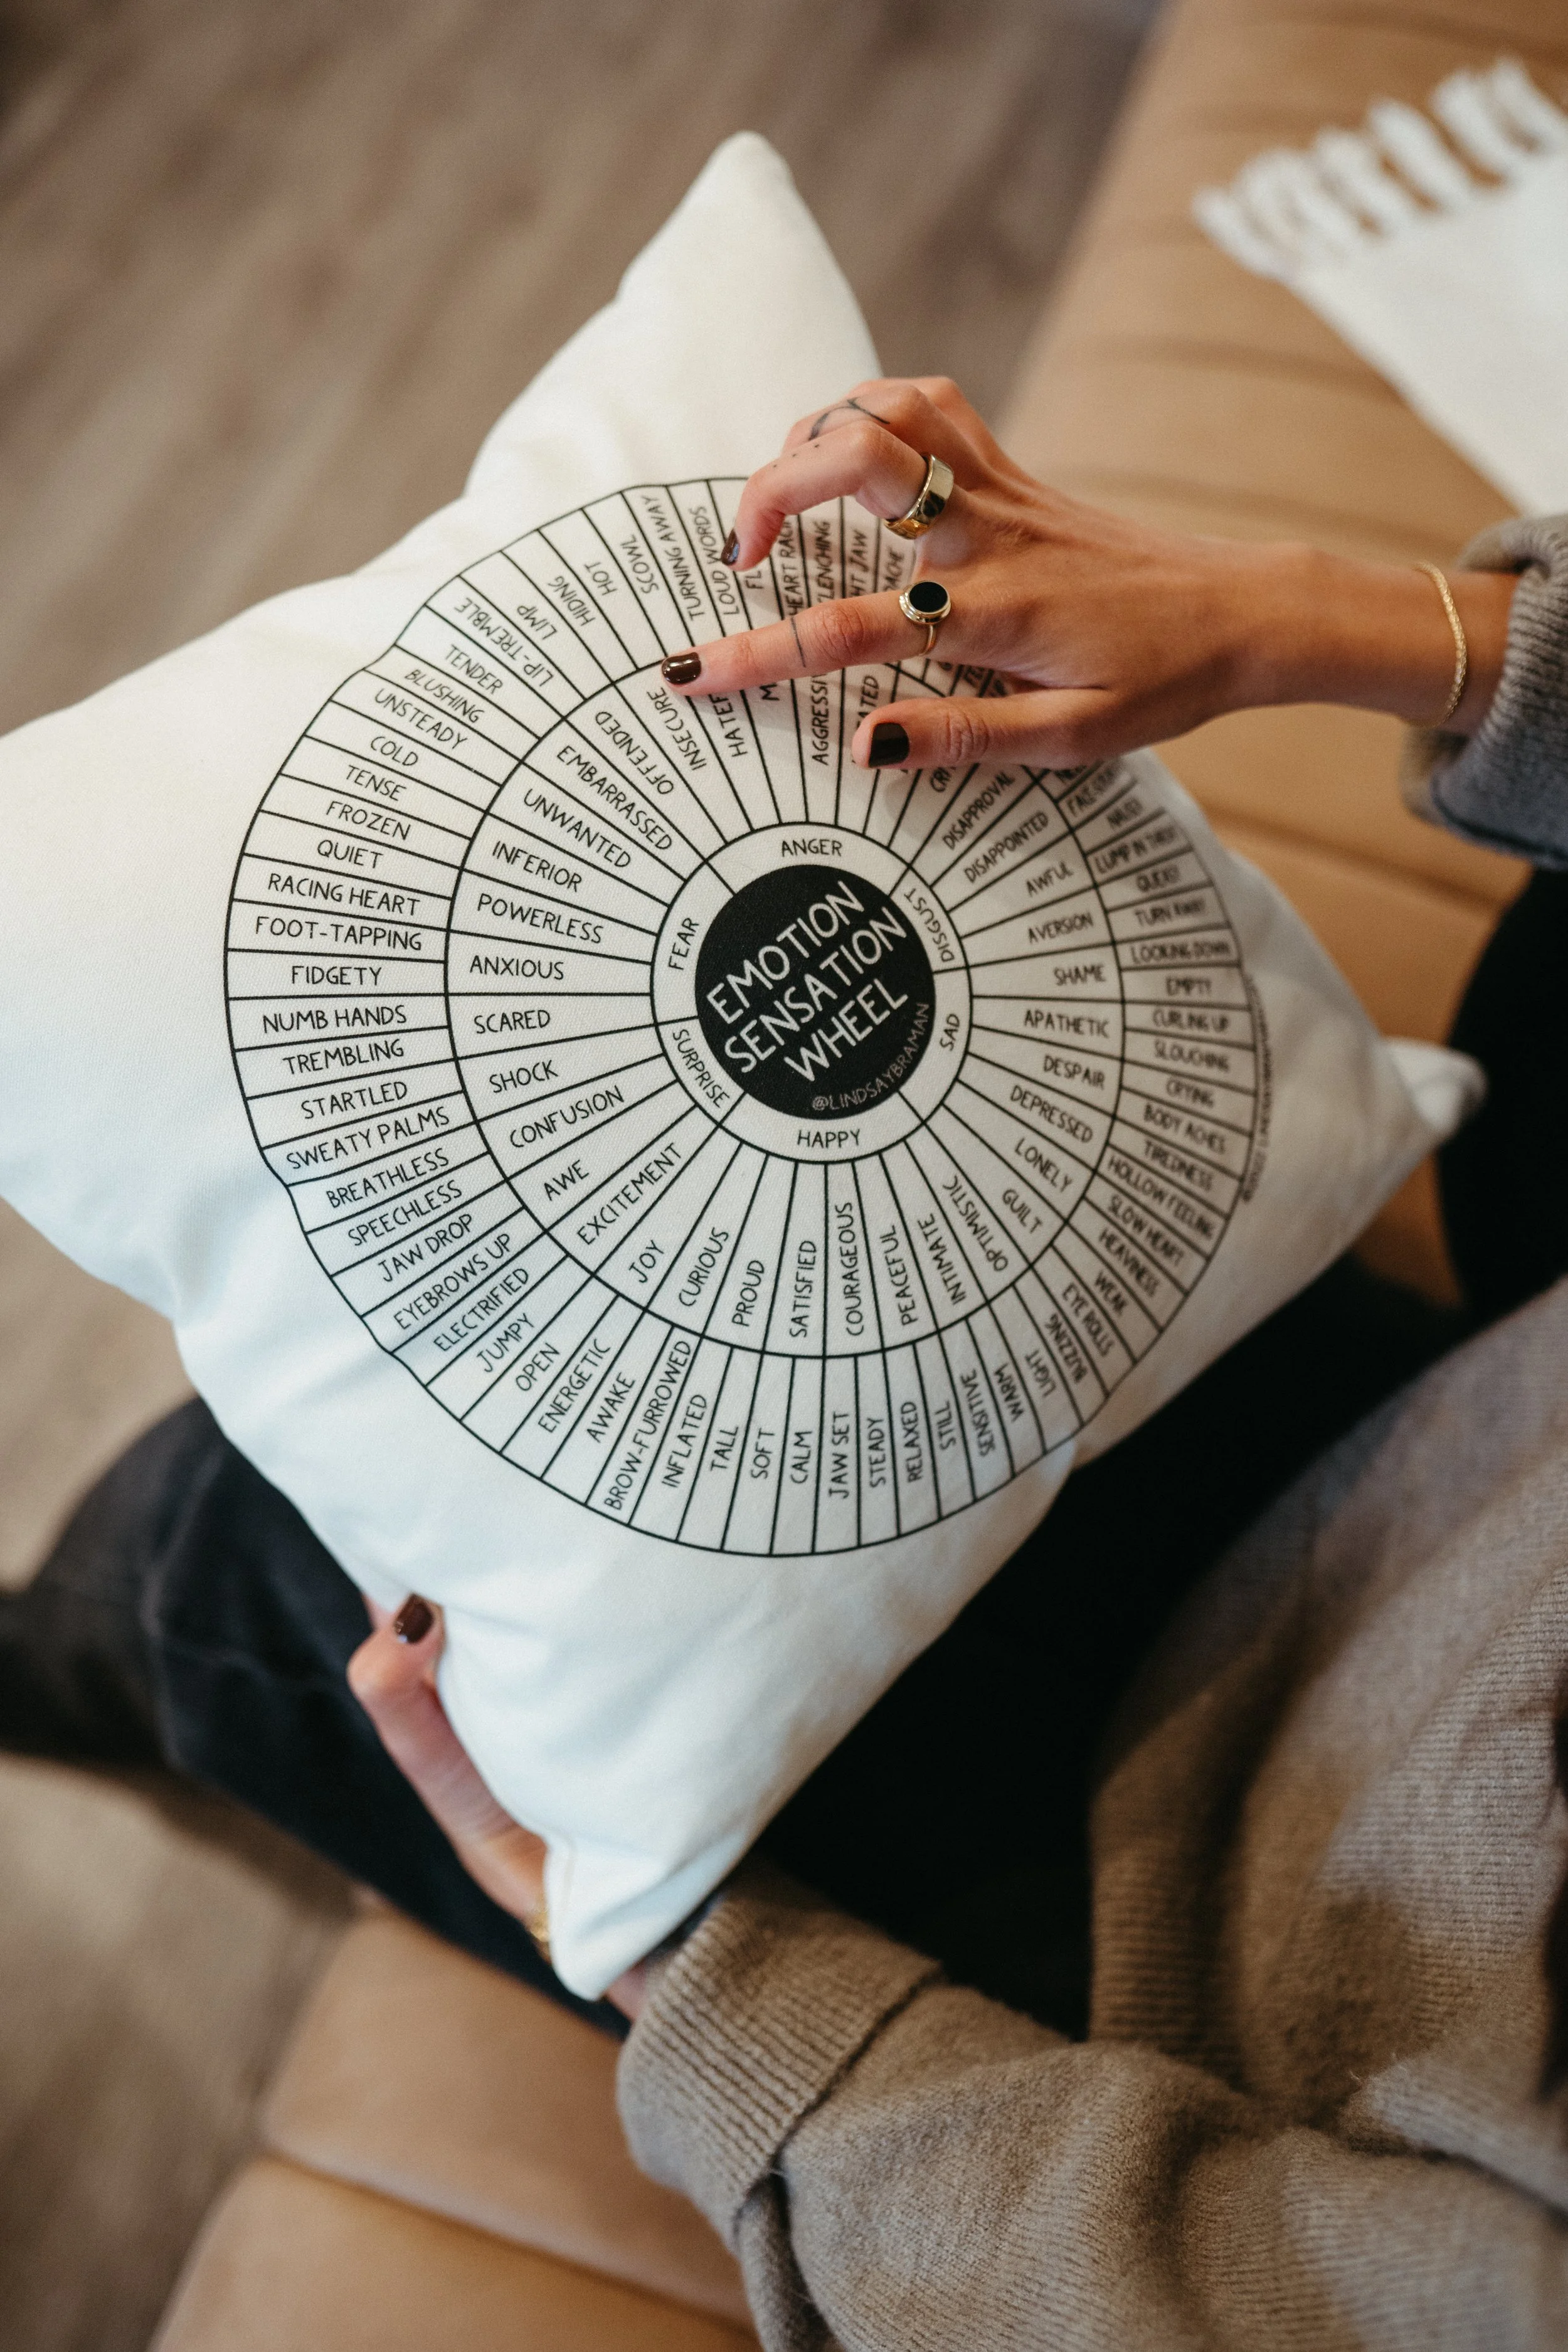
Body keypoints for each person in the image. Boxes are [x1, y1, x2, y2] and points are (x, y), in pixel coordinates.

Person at [6, 376, 1568, 2336]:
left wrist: (706, 1986)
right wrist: (1308, 618)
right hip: (1481, 1433)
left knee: (238, 1570)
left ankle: (78, 1657)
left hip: (1244, 1912)